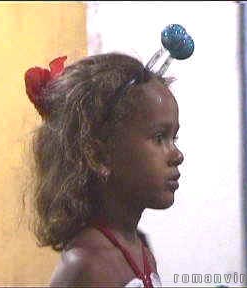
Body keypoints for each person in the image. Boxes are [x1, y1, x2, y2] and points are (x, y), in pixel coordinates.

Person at [24, 52, 184, 287]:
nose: (177, 155)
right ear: (99, 155)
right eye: (159, 138)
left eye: (174, 138)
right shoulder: (86, 266)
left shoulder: (140, 252)